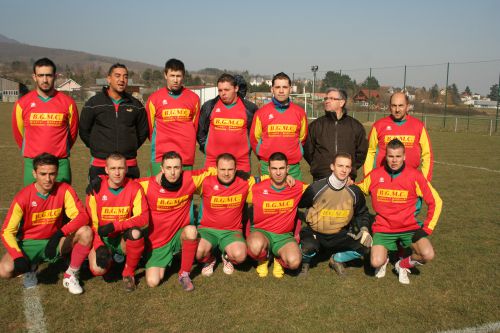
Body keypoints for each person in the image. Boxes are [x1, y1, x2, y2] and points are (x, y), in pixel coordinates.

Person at [0, 153, 92, 294]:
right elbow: (7, 231)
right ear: (34, 173)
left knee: (86, 232)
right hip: (29, 243)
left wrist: (59, 234)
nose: (48, 179)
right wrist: (18, 256)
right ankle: (31, 266)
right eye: (43, 174)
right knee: (4, 270)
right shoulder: (23, 197)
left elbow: (82, 216)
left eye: (52, 174)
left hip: (56, 241)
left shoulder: (64, 190)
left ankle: (71, 274)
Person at [357, 139, 442, 284]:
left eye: (398, 156)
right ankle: (384, 260)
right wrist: (348, 185)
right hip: (383, 228)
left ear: (404, 157)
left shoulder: (415, 176)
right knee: (375, 262)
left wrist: (427, 228)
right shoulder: (375, 175)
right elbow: (359, 190)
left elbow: (436, 202)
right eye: (390, 156)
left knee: (427, 254)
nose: (394, 160)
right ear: (386, 156)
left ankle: (402, 265)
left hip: (409, 227)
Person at [138, 151, 215, 291]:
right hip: (158, 242)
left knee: (191, 231)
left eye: (176, 167)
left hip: (179, 235)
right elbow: (125, 185)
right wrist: (101, 180)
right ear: (162, 168)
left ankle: (184, 274)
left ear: (181, 168)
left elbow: (215, 170)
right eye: (168, 168)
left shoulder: (190, 179)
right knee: (152, 281)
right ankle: (169, 259)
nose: (173, 172)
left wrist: (240, 174)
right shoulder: (148, 185)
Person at [298, 152, 371, 276]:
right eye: (340, 166)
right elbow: (301, 204)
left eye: (347, 167)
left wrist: (364, 229)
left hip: (339, 233)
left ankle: (337, 259)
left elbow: (362, 212)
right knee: (307, 247)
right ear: (332, 167)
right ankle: (306, 261)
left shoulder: (354, 191)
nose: (343, 170)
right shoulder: (316, 188)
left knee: (366, 246)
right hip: (315, 232)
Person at [86, 153, 149, 291]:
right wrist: (98, 245)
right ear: (106, 170)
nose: (117, 172)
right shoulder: (95, 189)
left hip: (121, 237)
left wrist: (115, 226)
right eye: (113, 168)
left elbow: (144, 218)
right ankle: (110, 256)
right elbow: (92, 223)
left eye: (120, 168)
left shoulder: (135, 188)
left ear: (126, 169)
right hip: (102, 238)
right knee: (98, 270)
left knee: (136, 234)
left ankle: (129, 273)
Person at [12, 58, 79, 185]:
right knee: (33, 203)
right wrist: (32, 151)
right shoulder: (22, 103)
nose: (44, 79)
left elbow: (72, 133)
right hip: (32, 162)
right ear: (34, 77)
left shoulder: (68, 103)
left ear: (55, 76)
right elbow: (19, 134)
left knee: (61, 202)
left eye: (48, 75)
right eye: (41, 75)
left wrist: (60, 150)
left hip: (60, 162)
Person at [79, 63, 149, 181]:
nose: (122, 80)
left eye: (125, 76)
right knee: (99, 199)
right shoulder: (93, 103)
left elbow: (142, 132)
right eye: (117, 76)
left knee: (130, 199)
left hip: (129, 165)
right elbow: (84, 131)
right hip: (101, 165)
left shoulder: (136, 105)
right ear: (108, 78)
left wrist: (130, 147)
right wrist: (98, 147)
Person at [246, 152, 308, 278]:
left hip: (284, 237)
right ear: (268, 169)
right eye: (274, 168)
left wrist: (347, 182)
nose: (278, 173)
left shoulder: (297, 187)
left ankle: (278, 259)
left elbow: (319, 189)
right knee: (254, 247)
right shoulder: (256, 188)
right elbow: (234, 181)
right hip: (262, 233)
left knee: (295, 262)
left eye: (281, 168)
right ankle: (264, 258)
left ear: (287, 169)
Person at [196, 153, 253, 276]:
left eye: (230, 169)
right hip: (207, 230)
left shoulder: (245, 182)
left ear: (236, 169)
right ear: (216, 169)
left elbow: (268, 182)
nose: (226, 173)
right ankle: (210, 259)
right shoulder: (205, 182)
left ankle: (226, 257)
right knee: (196, 252)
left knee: (240, 256)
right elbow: (183, 181)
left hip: (232, 231)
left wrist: (287, 178)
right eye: (222, 169)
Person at [146, 59, 200, 174]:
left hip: (186, 156)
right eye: (172, 75)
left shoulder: (194, 98)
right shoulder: (154, 98)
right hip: (161, 156)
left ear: (183, 76)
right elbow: (150, 129)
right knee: (159, 190)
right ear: (165, 75)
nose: (175, 80)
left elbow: (195, 127)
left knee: (184, 190)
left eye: (178, 76)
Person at [363, 91, 433, 181]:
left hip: (410, 181)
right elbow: (369, 152)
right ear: (389, 107)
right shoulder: (379, 126)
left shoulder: (418, 126)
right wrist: (368, 179)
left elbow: (427, 155)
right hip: (383, 180)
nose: (397, 110)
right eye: (394, 105)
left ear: (407, 107)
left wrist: (424, 182)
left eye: (401, 106)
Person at [250, 72, 307, 179]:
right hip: (268, 166)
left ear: (290, 89)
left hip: (292, 167)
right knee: (268, 195)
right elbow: (255, 139)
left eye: (285, 87)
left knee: (294, 195)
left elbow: (302, 138)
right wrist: (263, 155)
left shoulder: (300, 113)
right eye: (277, 87)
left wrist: (295, 152)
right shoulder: (261, 113)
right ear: (272, 89)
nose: (281, 91)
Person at [197, 74, 258, 172]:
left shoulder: (250, 108)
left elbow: (255, 135)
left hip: (241, 163)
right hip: (213, 162)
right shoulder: (209, 106)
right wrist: (207, 149)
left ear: (236, 88)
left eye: (226, 90)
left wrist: (246, 152)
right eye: (220, 90)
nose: (223, 93)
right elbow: (201, 131)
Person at [304, 88, 368, 181]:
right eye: (326, 99)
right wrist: (318, 166)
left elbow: (361, 153)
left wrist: (349, 170)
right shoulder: (315, 125)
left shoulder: (356, 126)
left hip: (347, 179)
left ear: (341, 103)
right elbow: (308, 151)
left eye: (332, 98)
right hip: (321, 178)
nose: (327, 101)